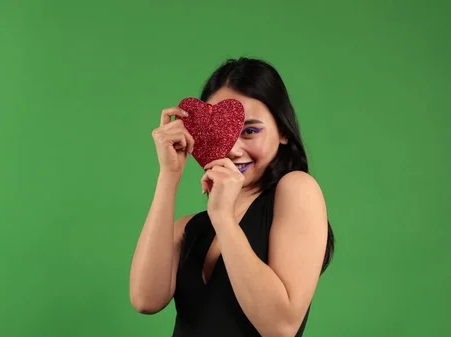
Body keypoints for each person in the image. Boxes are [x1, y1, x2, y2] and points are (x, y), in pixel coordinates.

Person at [129, 57, 335, 337]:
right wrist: (169, 176)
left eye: (250, 131)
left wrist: (224, 219)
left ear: (283, 131)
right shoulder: (191, 228)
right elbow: (145, 300)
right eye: (217, 134)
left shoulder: (297, 190)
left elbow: (281, 327)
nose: (233, 149)